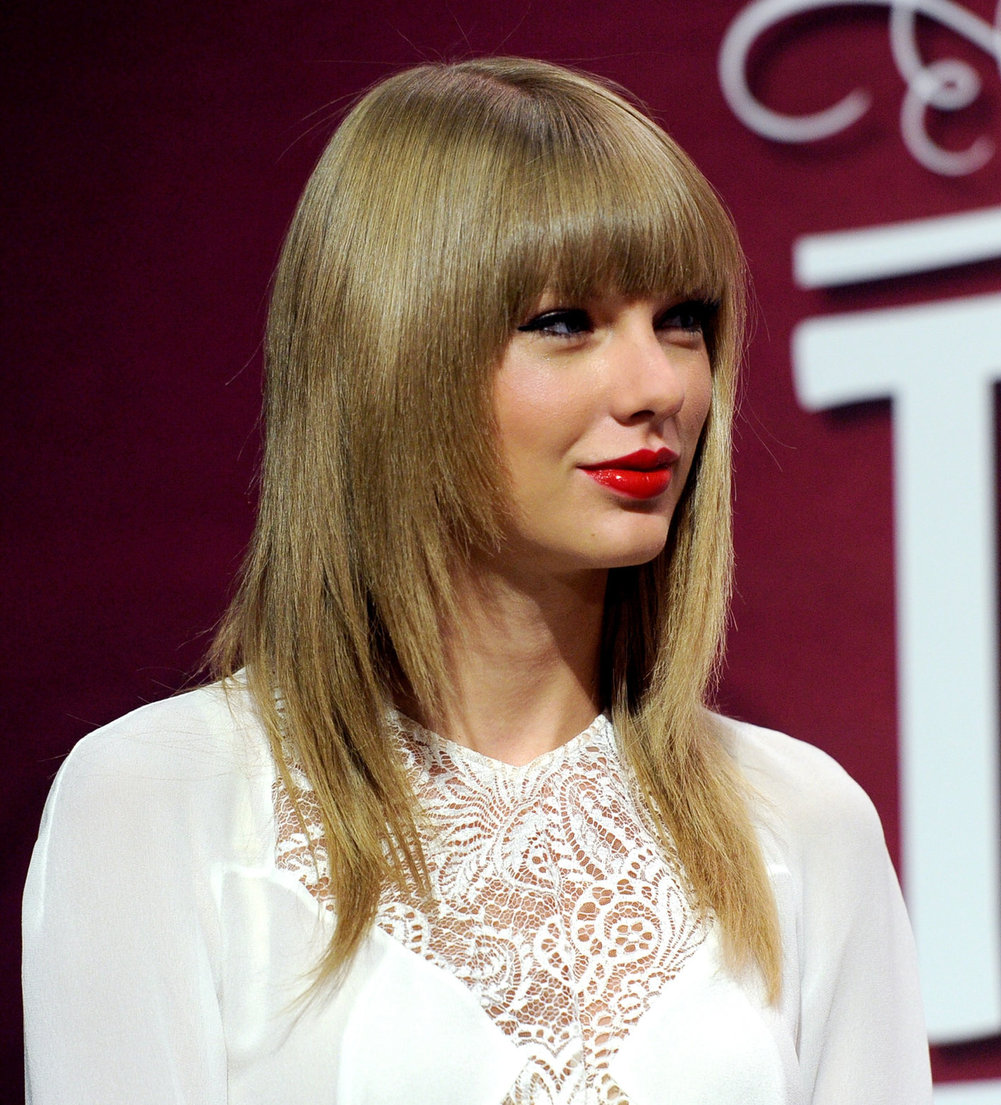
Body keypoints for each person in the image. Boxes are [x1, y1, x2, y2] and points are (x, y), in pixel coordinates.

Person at [22, 56, 930, 1104]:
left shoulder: (803, 821)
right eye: (563, 322)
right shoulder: (162, 799)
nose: (658, 386)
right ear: (392, 356)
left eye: (681, 319)